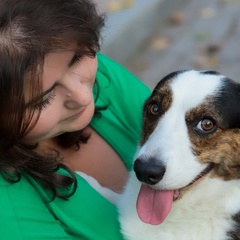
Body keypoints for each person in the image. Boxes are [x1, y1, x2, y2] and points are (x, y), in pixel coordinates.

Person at [0, 0, 151, 239]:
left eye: (77, 59)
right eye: (43, 99)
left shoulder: (89, 72)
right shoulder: (8, 218)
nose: (82, 97)